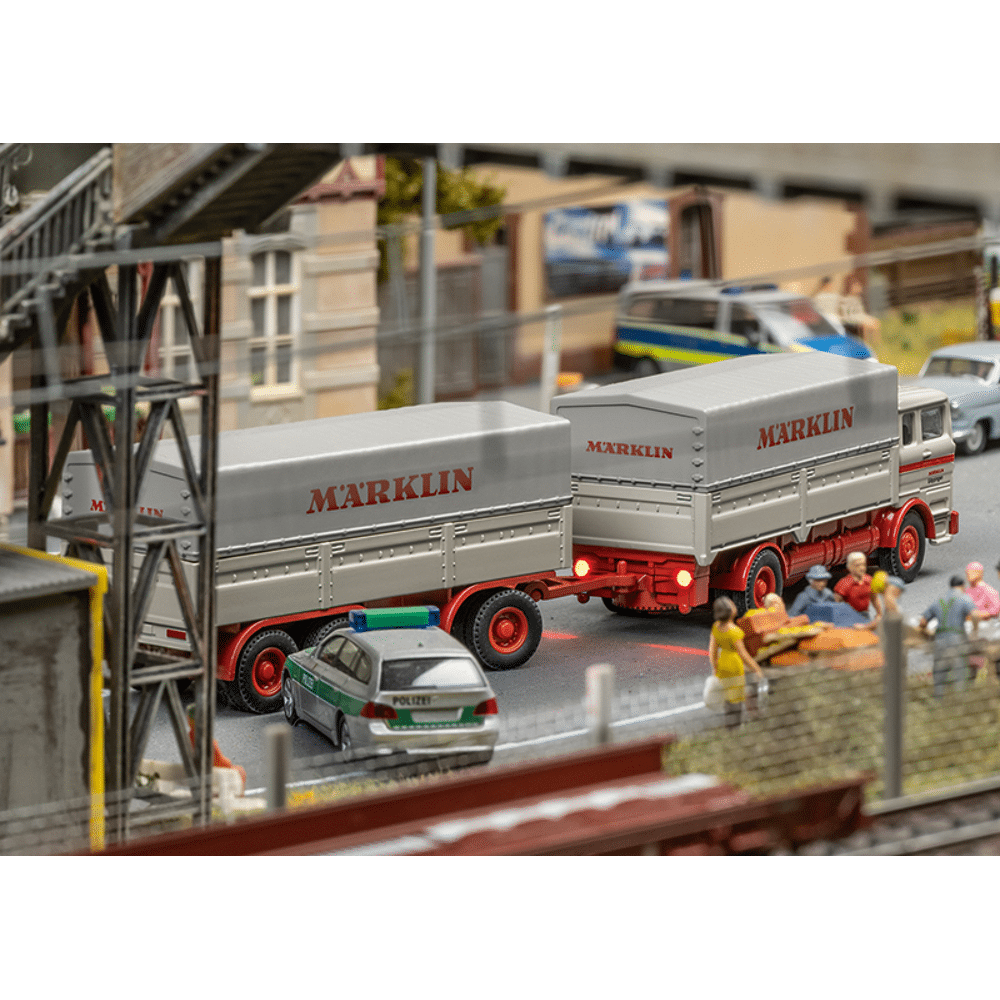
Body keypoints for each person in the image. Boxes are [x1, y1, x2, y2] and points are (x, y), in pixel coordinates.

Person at [708, 595, 764, 729]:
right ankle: (735, 726)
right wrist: (756, 668)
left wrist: (715, 667)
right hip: (734, 665)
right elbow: (743, 654)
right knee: (736, 698)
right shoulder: (735, 631)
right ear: (731, 611)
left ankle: (729, 724)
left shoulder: (716, 627)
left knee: (727, 697)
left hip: (723, 663)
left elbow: (712, 651)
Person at [919, 575, 980, 697]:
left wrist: (927, 632)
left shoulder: (939, 601)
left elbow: (922, 622)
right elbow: (975, 615)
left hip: (940, 641)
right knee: (959, 671)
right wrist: (974, 631)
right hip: (957, 640)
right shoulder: (964, 598)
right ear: (962, 586)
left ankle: (938, 699)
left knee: (939, 672)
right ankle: (960, 698)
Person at [833, 552, 883, 625]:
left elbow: (874, 598)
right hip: (849, 617)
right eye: (858, 565)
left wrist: (879, 614)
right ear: (850, 567)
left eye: (863, 565)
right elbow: (836, 603)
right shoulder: (844, 584)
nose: (862, 568)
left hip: (865, 615)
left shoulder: (869, 580)